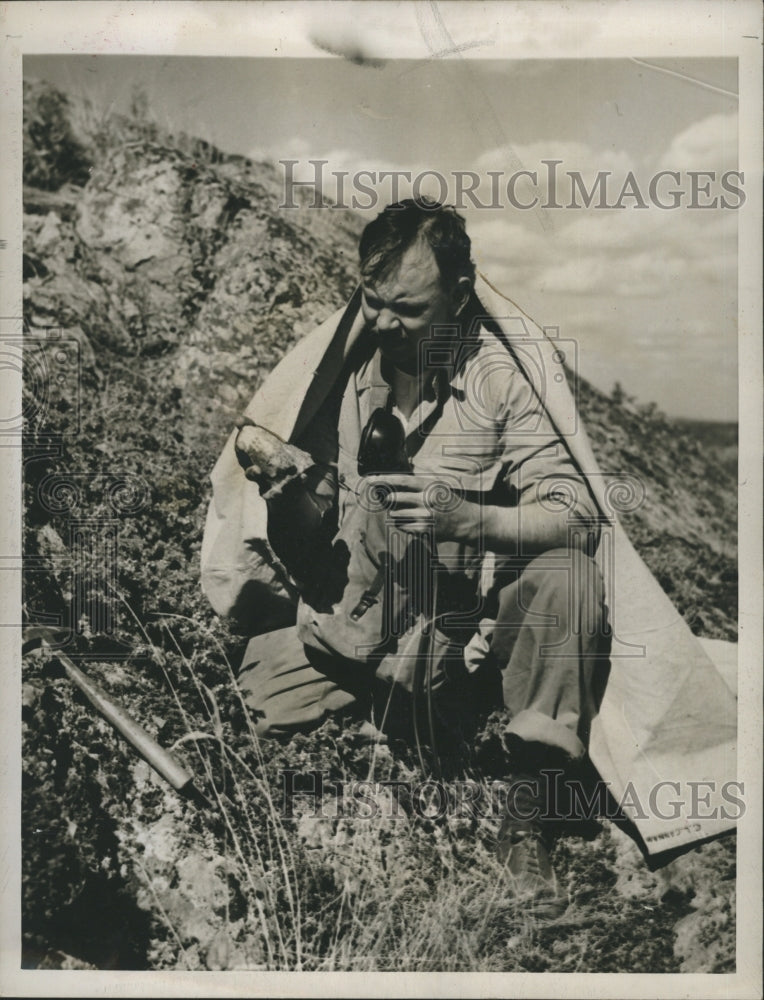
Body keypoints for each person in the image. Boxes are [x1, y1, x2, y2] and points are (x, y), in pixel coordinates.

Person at [216, 198, 611, 918]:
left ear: (461, 294)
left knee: (571, 582)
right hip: (362, 630)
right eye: (373, 302)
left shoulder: (501, 379)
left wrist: (474, 518)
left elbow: (580, 518)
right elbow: (312, 547)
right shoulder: (342, 371)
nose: (386, 323)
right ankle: (403, 725)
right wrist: (282, 495)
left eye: (409, 307)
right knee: (249, 716)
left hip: (468, 649)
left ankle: (533, 808)